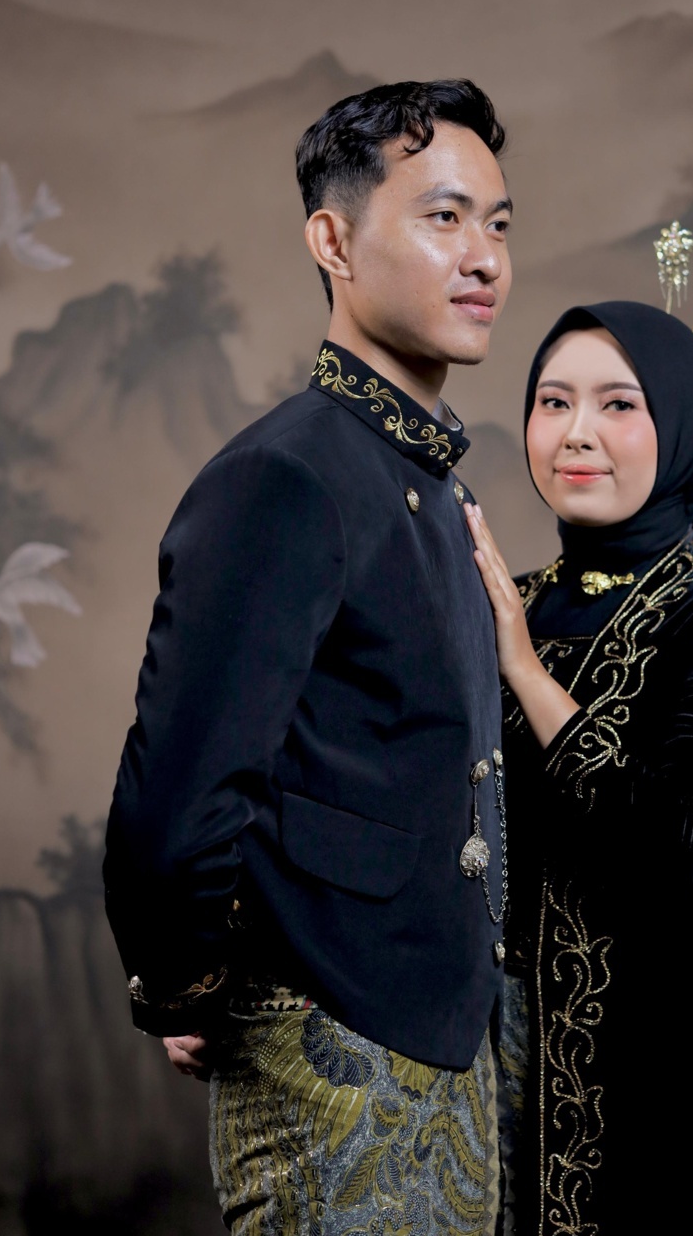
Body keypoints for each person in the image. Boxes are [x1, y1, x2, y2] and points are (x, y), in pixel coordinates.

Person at [104, 79, 515, 1233]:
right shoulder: (284, 477)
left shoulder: (433, 483)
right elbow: (176, 798)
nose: (483, 257)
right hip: (330, 1064)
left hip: (452, 1062)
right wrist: (183, 986)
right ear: (332, 242)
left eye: (497, 223)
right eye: (443, 217)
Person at [464, 300, 693, 1235]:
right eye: (553, 402)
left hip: (670, 1093)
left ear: (681, 427)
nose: (577, 433)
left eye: (618, 404)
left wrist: (526, 673)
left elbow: (682, 856)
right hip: (498, 1080)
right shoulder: (505, 600)